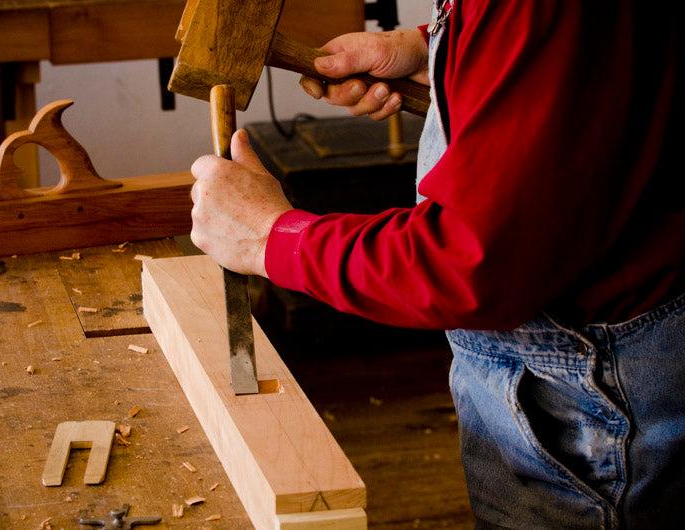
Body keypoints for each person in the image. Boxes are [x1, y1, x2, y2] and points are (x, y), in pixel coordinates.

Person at [189, 1, 684, 527]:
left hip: (594, 402)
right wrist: (436, 51)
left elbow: (475, 264)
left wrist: (271, 237)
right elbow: (593, 54)